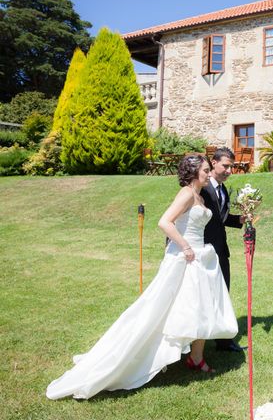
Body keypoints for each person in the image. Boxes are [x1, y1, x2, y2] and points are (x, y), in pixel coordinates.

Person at [46, 155, 238, 400]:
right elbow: (164, 222)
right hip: (185, 257)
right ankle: (144, 351)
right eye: (205, 169)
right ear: (192, 172)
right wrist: (186, 247)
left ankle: (196, 358)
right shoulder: (187, 194)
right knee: (159, 309)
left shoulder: (199, 195)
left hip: (200, 256)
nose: (208, 173)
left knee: (201, 307)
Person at [201, 147, 246, 352]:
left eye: (232, 167)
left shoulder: (222, 189)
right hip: (202, 251)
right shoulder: (201, 188)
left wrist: (240, 219)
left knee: (223, 294)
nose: (229, 170)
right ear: (213, 162)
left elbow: (221, 218)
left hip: (221, 250)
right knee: (202, 296)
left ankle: (223, 341)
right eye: (226, 166)